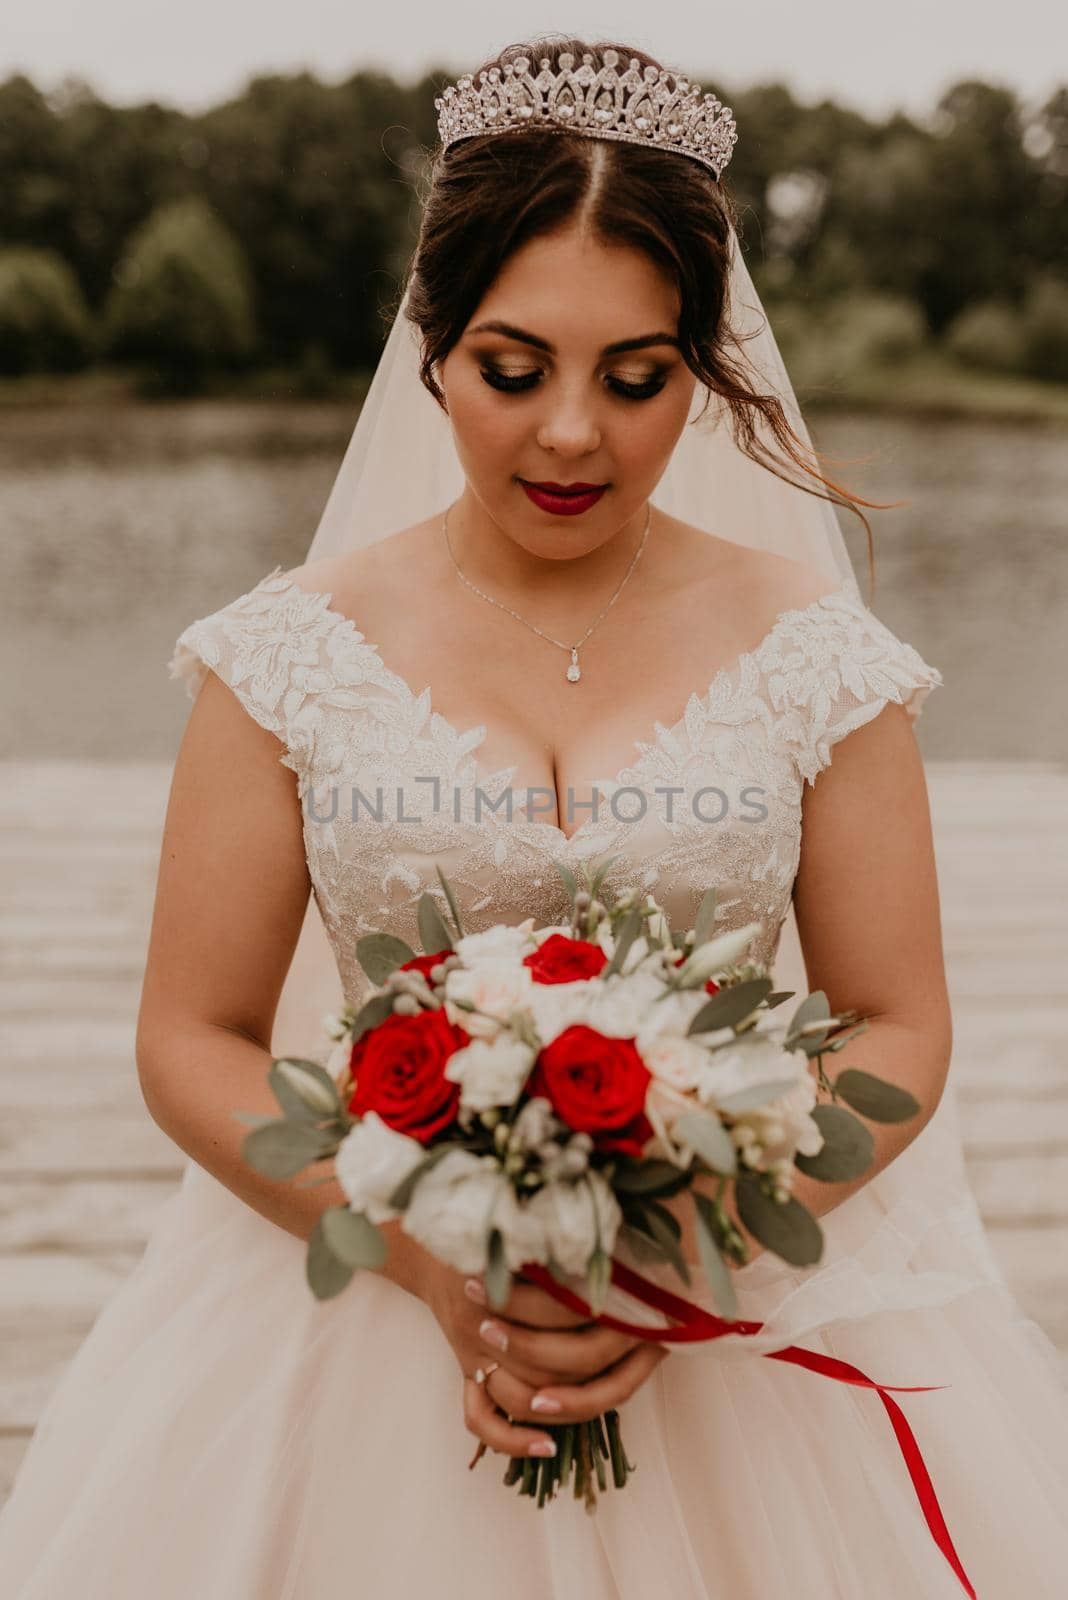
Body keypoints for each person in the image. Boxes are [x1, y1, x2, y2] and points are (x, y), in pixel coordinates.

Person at [2, 35, 1066, 1599]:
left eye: (636, 380)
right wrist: (426, 1244)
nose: (572, 434)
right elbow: (192, 1038)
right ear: (430, 346)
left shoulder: (813, 652)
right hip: (355, 1298)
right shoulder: (284, 652)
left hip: (729, 1312)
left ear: (701, 371)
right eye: (515, 369)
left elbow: (898, 1024)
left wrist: (690, 1238)